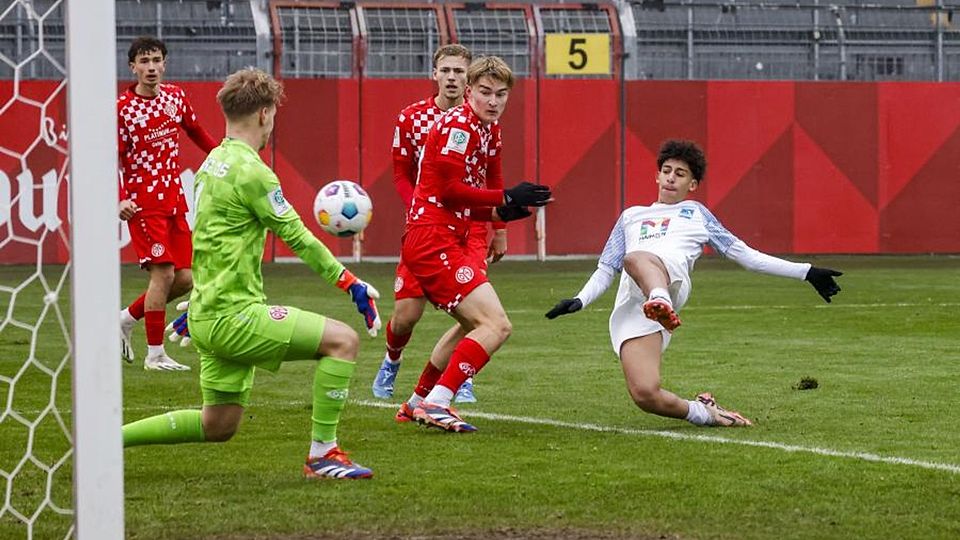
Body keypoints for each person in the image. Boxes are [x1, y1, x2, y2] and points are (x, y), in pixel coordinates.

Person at [122, 68, 381, 480]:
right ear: (264, 114)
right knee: (343, 341)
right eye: (274, 114)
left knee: (218, 425)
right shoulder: (253, 171)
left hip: (209, 313)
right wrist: (349, 282)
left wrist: (202, 301)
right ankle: (322, 454)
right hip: (232, 315)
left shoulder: (212, 164)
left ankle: (105, 441)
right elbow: (298, 237)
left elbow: (208, 240)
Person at [545, 139, 842, 427]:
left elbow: (747, 257)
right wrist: (580, 300)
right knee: (645, 394)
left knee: (635, 257)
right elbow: (605, 269)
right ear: (657, 175)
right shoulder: (631, 216)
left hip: (671, 285)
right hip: (636, 303)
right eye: (667, 171)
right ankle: (705, 412)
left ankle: (659, 299)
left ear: (693, 185)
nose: (671, 178)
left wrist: (807, 271)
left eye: (681, 173)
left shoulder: (696, 214)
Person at [393, 56, 552, 432]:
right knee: (496, 325)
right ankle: (439, 401)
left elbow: (465, 198)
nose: (493, 101)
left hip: (450, 235)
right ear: (469, 92)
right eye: (485, 92)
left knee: (472, 324)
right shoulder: (460, 126)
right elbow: (447, 192)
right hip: (434, 238)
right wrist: (504, 196)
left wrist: (501, 215)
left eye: (500, 94)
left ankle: (417, 402)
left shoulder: (488, 128)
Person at [372, 44, 507, 404]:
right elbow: (406, 175)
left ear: (467, 78)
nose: (451, 77)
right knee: (407, 314)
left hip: (469, 225)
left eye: (458, 71)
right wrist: (420, 205)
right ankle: (394, 362)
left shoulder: (488, 126)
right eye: (445, 70)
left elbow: (490, 175)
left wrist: (501, 225)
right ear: (436, 74)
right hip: (432, 224)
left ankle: (445, 388)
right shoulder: (416, 118)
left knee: (480, 314)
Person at [117, 36, 218, 371]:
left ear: (164, 63)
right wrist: (120, 199)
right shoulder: (122, 110)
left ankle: (126, 319)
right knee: (162, 274)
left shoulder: (175, 97)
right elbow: (109, 158)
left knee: (186, 278)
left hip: (174, 200)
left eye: (156, 60)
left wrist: (226, 155)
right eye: (143, 62)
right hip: (143, 204)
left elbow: (196, 130)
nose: (150, 67)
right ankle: (155, 354)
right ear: (132, 67)